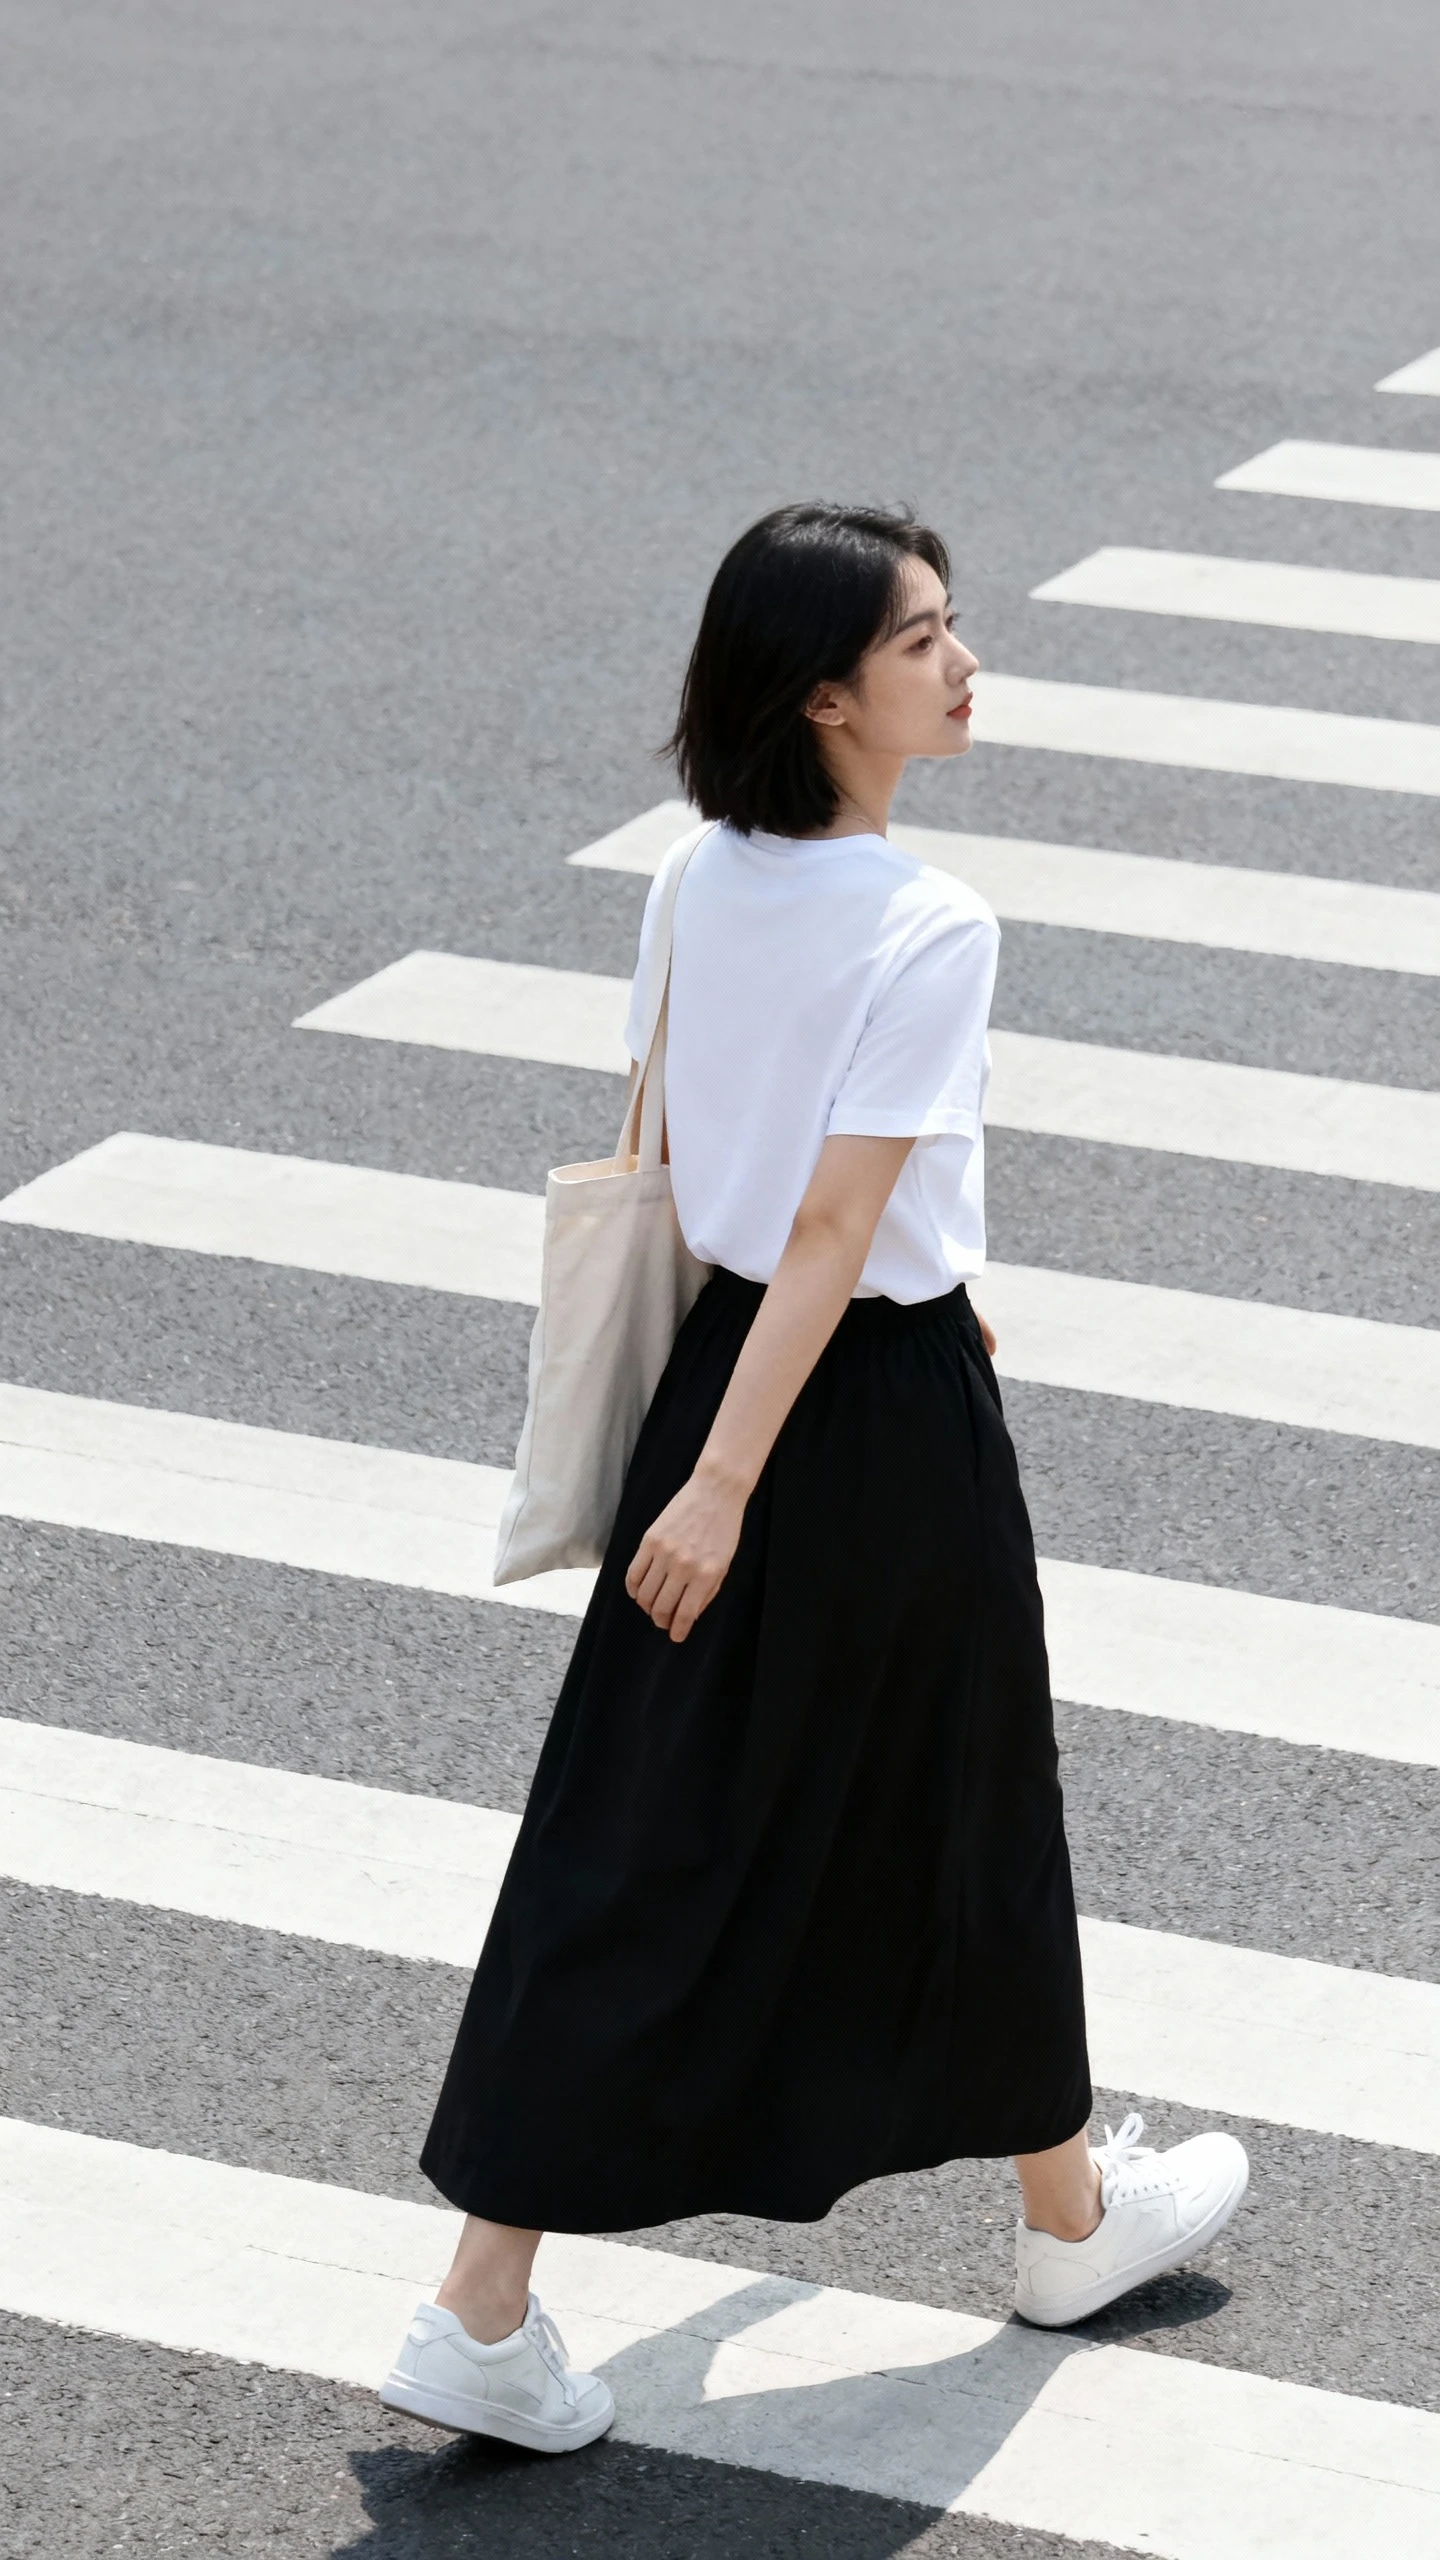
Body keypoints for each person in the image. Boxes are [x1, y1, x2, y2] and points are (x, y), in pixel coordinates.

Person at [380, 504, 1248, 2452]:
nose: (960, 661)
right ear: (823, 694)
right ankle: (1069, 2222)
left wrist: (710, 1458)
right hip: (853, 1418)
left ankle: (488, 2296)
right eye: (923, 637)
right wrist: (740, 1480)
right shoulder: (934, 922)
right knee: (972, 1805)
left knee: (639, 1830)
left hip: (727, 1383)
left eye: (954, 626)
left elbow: (719, 1167)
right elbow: (843, 1222)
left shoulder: (696, 881)